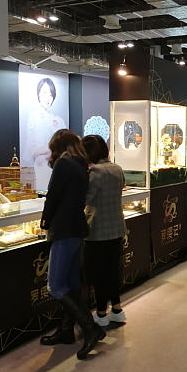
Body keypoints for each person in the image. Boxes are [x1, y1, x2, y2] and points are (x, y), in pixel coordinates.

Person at [39, 129, 105, 360]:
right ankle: (66, 330)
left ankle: (90, 328)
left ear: (58, 147)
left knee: (56, 286)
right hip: (77, 229)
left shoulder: (64, 163)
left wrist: (45, 221)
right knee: (72, 284)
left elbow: (53, 196)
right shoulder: (81, 164)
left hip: (64, 229)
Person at [82, 135, 127, 327]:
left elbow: (86, 199)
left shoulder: (95, 173)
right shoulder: (117, 168)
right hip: (116, 228)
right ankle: (117, 309)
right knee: (112, 271)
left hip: (98, 231)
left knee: (99, 274)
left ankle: (101, 314)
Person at [26, 78, 67, 191]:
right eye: (44, 92)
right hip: (41, 166)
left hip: (57, 165)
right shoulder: (33, 116)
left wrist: (46, 153)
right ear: (38, 94)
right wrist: (46, 153)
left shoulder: (59, 120)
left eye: (50, 94)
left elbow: (65, 147)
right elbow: (31, 148)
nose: (47, 98)